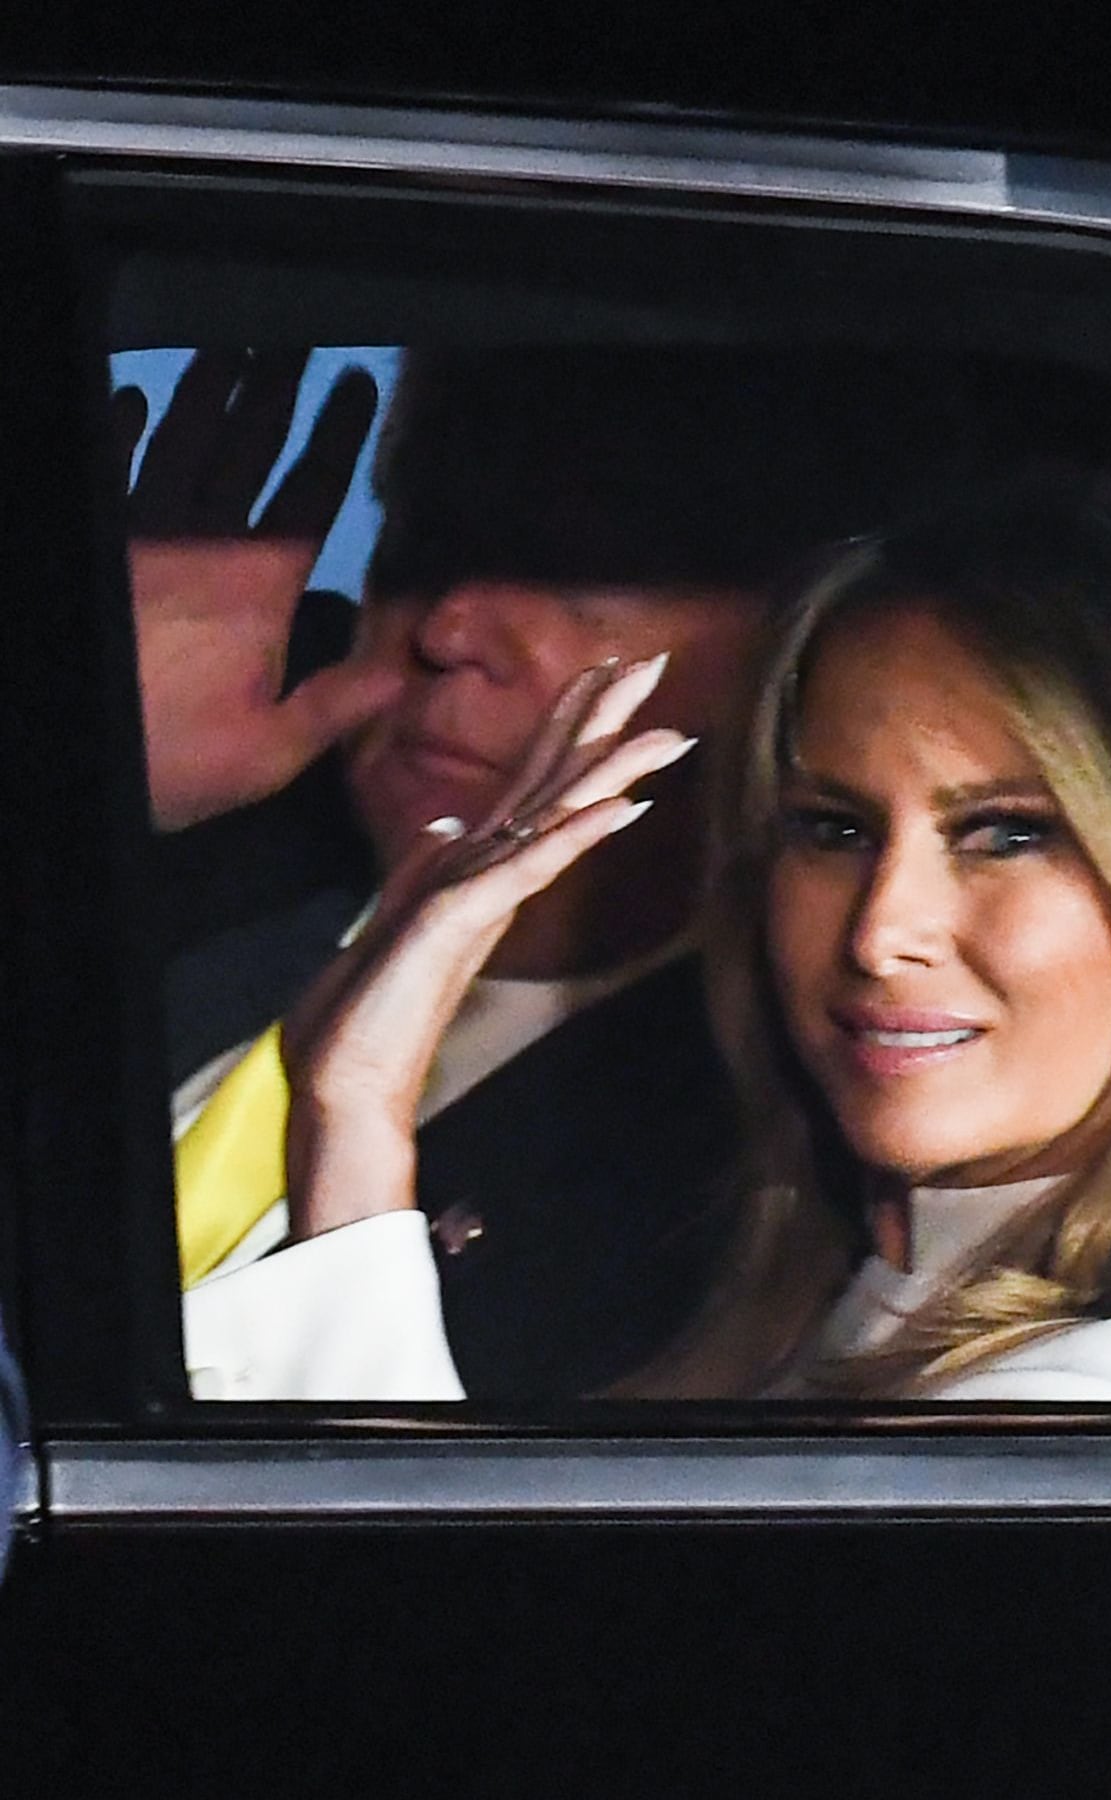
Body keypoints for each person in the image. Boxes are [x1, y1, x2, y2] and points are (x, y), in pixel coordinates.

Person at [183, 468, 1111, 1400]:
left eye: (1009, 836)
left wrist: (355, 1140)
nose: (882, 930)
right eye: (832, 828)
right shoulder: (811, 1306)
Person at [141, 345, 992, 1399]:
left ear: (800, 645)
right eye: (427, 542)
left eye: (581, 569)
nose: (450, 631)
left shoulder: (771, 1171)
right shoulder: (195, 877)